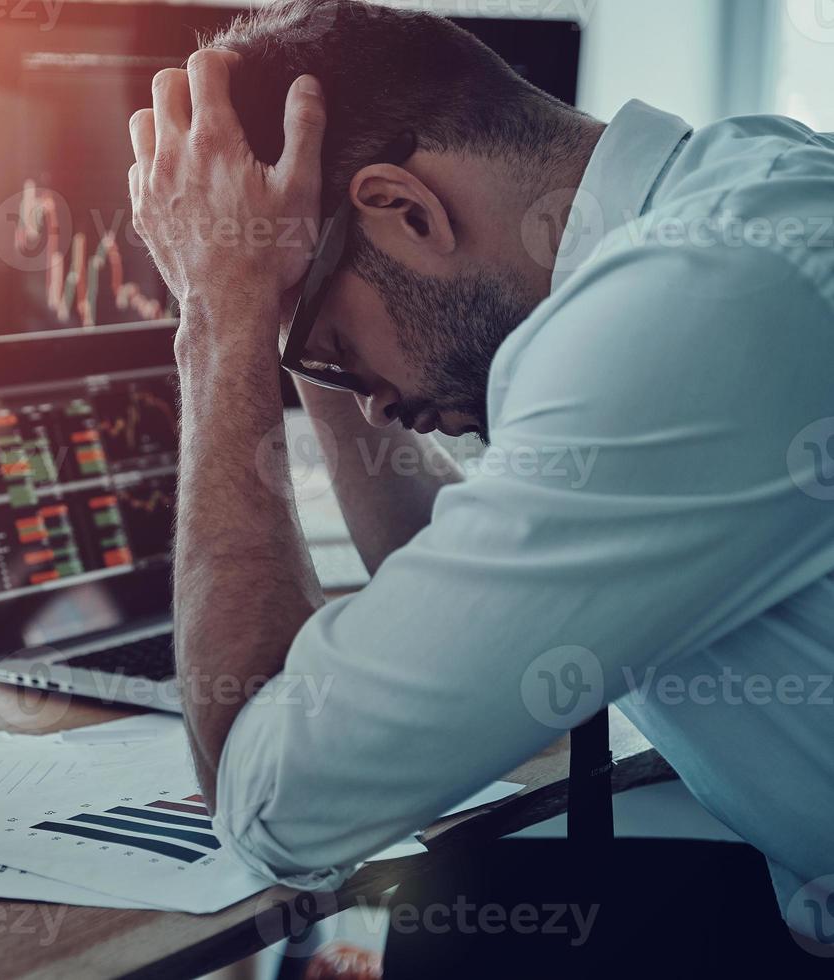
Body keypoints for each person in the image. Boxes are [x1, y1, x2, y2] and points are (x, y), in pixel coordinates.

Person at [126, 0, 834, 963]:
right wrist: (297, 321)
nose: (369, 411)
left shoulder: (691, 317)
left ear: (405, 211)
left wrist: (221, 316)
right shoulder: (740, 197)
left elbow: (273, 804)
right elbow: (448, 594)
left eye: (332, 353)